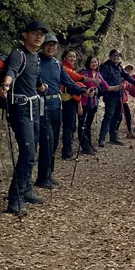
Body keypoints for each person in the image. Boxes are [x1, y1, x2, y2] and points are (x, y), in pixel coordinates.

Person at [0, 21, 47, 215]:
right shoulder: (18, 54)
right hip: (20, 107)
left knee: (32, 149)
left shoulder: (35, 57)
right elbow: (12, 69)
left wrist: (41, 86)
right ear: (25, 35)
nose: (38, 37)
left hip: (34, 105)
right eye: (34, 33)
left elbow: (35, 76)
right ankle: (15, 197)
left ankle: (25, 188)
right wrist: (6, 85)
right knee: (27, 151)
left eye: (41, 35)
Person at [36, 33, 88, 189]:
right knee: (46, 141)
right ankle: (42, 178)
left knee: (53, 143)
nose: (51, 47)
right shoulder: (36, 62)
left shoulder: (56, 64)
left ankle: (47, 175)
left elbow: (68, 82)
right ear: (42, 45)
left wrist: (83, 91)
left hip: (56, 106)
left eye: (54, 45)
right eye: (48, 44)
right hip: (42, 106)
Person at [97, 49, 135, 147]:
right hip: (110, 95)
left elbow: (128, 77)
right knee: (108, 116)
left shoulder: (119, 68)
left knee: (117, 117)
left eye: (118, 56)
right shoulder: (106, 67)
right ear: (110, 56)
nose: (116, 57)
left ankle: (113, 137)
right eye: (114, 55)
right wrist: (111, 89)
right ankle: (102, 139)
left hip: (119, 95)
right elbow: (102, 82)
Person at [61, 49, 101, 159]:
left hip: (73, 99)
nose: (72, 58)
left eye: (74, 56)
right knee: (69, 126)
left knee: (72, 126)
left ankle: (69, 150)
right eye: (70, 56)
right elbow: (75, 80)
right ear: (64, 57)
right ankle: (67, 152)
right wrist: (87, 84)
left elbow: (75, 82)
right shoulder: (65, 69)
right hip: (68, 100)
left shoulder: (70, 69)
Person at [78, 55, 107, 155]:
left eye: (95, 62)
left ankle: (88, 144)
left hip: (94, 103)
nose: (94, 64)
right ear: (88, 63)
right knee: (83, 125)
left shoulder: (98, 74)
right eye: (92, 62)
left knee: (88, 125)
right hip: (84, 103)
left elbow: (105, 86)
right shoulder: (83, 73)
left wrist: (118, 87)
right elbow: (78, 85)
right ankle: (84, 146)